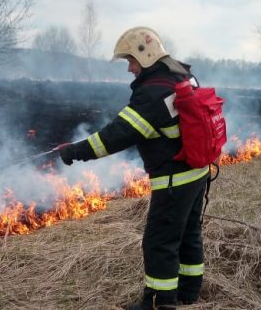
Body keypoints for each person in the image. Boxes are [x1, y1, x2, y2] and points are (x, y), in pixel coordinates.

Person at [58, 26, 209, 310]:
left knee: (159, 241)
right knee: (188, 233)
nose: (129, 68)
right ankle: (189, 292)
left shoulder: (152, 93)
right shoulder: (184, 76)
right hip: (196, 171)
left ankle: (157, 302)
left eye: (131, 60)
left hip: (173, 179)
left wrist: (75, 151)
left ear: (147, 55)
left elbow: (117, 135)